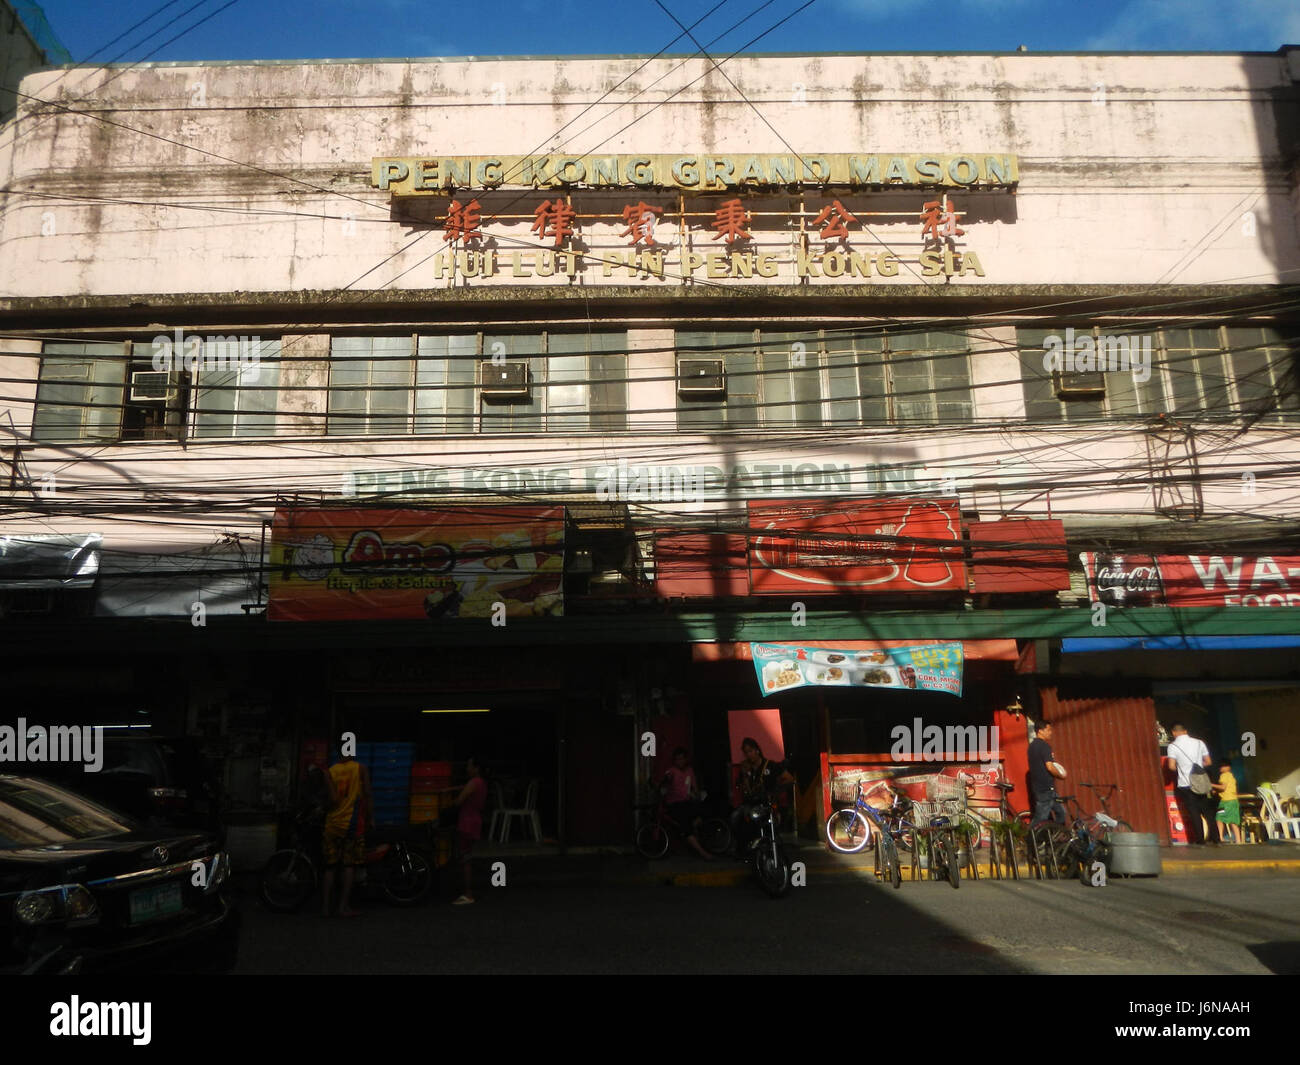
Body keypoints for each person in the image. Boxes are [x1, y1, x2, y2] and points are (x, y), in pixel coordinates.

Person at [321, 746, 371, 918]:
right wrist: (371, 818)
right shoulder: (360, 768)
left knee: (330, 867)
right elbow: (367, 795)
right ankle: (343, 907)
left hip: (332, 824)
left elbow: (333, 799)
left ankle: (326, 908)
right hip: (350, 824)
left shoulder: (330, 771)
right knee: (348, 866)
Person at [730, 737, 795, 855]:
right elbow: (742, 788)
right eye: (746, 753)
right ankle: (743, 849)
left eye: (750, 751)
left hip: (767, 803)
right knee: (735, 817)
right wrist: (744, 775)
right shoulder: (746, 768)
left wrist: (775, 791)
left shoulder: (770, 765)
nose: (748, 755)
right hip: (751, 804)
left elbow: (790, 779)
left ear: (757, 750)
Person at [1166, 722, 1219, 845]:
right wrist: (1198, 767)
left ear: (1174, 733)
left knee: (1194, 812)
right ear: (1185, 731)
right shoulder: (1199, 743)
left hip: (1186, 783)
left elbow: (1171, 766)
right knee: (1207, 811)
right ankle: (1216, 838)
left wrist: (1183, 769)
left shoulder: (1173, 746)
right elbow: (1208, 761)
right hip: (1201, 782)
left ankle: (1200, 840)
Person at [447, 757, 487, 905]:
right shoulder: (481, 783)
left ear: (476, 768)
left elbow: (459, 801)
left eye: (469, 766)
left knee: (465, 858)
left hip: (467, 821)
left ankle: (468, 893)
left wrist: (450, 802)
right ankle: (467, 891)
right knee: (467, 856)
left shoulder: (473, 783)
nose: (467, 769)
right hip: (475, 820)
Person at [661, 747, 711, 860]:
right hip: (675, 804)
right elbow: (666, 780)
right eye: (677, 759)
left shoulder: (690, 771)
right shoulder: (672, 771)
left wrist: (697, 795)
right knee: (685, 825)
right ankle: (702, 852)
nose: (680, 761)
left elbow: (695, 787)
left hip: (687, 802)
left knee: (705, 811)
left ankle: (695, 834)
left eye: (682, 759)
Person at [1027, 720, 1067, 824]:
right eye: (1048, 730)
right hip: (1045, 789)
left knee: (1061, 812)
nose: (1051, 732)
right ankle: (1031, 838)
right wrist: (1061, 775)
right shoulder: (1044, 746)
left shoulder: (1031, 746)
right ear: (1040, 731)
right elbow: (1049, 767)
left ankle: (1055, 836)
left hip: (1040, 787)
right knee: (1040, 818)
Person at [1212, 761, 1242, 844]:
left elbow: (1223, 787)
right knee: (1229, 820)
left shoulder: (1224, 775)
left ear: (1228, 767)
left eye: (1222, 766)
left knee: (1221, 818)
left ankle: (1222, 838)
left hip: (1227, 801)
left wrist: (1211, 785)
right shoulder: (1231, 776)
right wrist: (1217, 791)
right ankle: (1237, 839)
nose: (1220, 768)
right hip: (1231, 800)